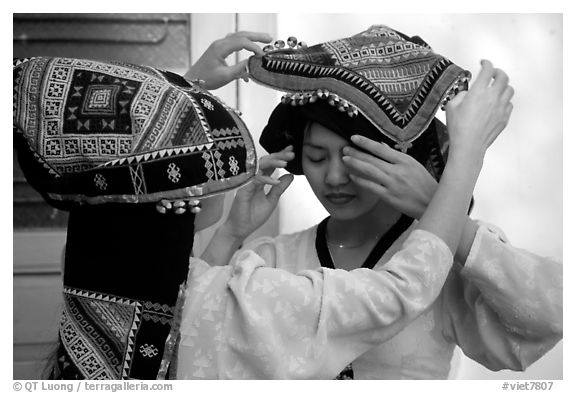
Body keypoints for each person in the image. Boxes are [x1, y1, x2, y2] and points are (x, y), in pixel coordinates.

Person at [14, 29, 512, 380]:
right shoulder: (242, 296)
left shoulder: (100, 277)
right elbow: (397, 293)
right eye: (316, 156)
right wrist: (466, 158)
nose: (333, 176)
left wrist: (188, 87)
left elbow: (130, 179)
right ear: (175, 200)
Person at [200, 25, 563, 379]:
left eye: (354, 155)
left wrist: (433, 205)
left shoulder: (448, 260)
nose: (334, 178)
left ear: (398, 158)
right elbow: (188, 323)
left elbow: (553, 313)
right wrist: (231, 232)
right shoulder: (275, 259)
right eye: (316, 157)